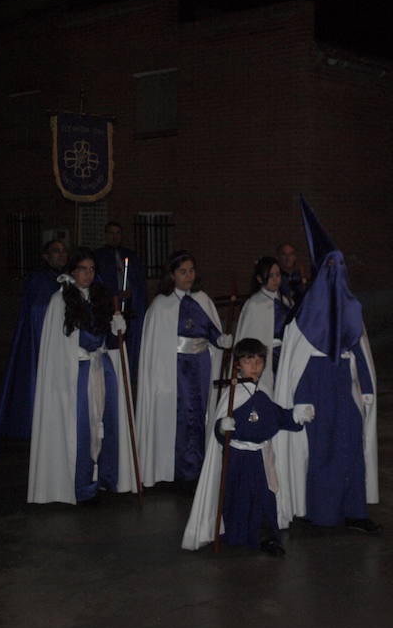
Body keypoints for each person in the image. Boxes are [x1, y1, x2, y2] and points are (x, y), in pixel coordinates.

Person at [273, 201, 379, 533]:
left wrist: (367, 386)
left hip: (344, 386)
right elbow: (296, 360)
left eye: (342, 265)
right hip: (316, 387)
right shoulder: (306, 314)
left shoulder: (350, 309)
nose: (339, 272)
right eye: (332, 265)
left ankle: (355, 510)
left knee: (351, 447)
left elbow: (359, 349)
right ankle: (321, 514)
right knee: (322, 450)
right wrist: (301, 397)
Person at [181, 338, 315, 555]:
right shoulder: (232, 394)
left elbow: (277, 416)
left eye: (259, 362)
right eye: (248, 361)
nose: (254, 367)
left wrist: (295, 416)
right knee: (237, 497)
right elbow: (220, 429)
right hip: (237, 457)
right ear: (238, 365)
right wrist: (223, 428)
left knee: (263, 497)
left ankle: (268, 538)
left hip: (260, 457)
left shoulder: (262, 394)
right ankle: (237, 534)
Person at [27, 247, 136, 504]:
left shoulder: (100, 297)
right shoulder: (60, 301)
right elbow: (60, 346)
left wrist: (117, 328)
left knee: (105, 423)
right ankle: (81, 483)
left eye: (92, 269)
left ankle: (104, 477)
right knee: (81, 428)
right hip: (76, 373)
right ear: (72, 271)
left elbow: (107, 340)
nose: (88, 274)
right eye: (83, 269)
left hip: (100, 369)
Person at [135, 250, 231, 489]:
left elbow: (211, 332)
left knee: (200, 415)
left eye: (191, 270)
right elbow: (155, 347)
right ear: (171, 274)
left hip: (201, 366)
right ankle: (180, 472)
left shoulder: (202, 299)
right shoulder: (161, 306)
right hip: (174, 368)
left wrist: (221, 340)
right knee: (181, 417)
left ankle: (199, 469)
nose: (188, 276)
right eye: (182, 271)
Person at [0, 239, 68, 440]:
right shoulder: (38, 279)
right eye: (56, 251)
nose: (61, 255)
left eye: (64, 251)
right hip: (41, 339)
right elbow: (37, 310)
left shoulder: (68, 278)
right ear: (46, 256)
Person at [93, 221, 147, 382]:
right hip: (110, 308)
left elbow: (138, 281)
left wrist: (132, 292)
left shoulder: (130, 255)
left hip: (130, 306)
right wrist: (114, 295)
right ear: (106, 235)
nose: (115, 236)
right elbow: (98, 283)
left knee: (130, 340)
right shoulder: (99, 256)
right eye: (111, 233)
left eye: (118, 233)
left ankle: (130, 374)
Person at [235, 256, 292, 389]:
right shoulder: (254, 304)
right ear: (260, 278)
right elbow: (247, 338)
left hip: (285, 356)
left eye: (277, 275)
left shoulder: (286, 301)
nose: (275, 279)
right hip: (267, 358)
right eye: (270, 275)